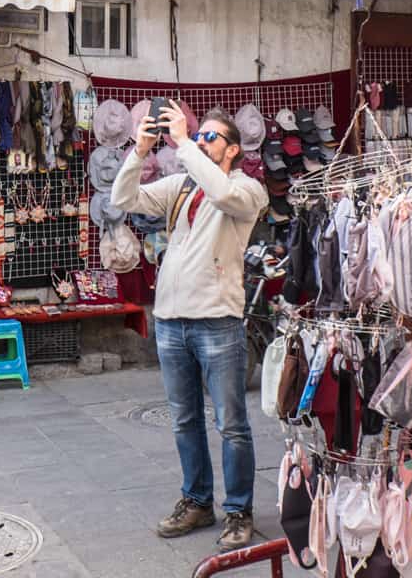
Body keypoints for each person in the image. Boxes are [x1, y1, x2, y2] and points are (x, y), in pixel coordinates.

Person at [110, 103, 267, 552]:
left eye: (210, 138)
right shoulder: (181, 185)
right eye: (201, 136)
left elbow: (221, 194)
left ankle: (239, 510)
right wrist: (138, 152)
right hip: (171, 321)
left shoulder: (246, 189)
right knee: (184, 421)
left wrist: (182, 142)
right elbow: (123, 201)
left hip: (217, 321)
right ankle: (197, 501)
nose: (201, 143)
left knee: (232, 424)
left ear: (233, 149)